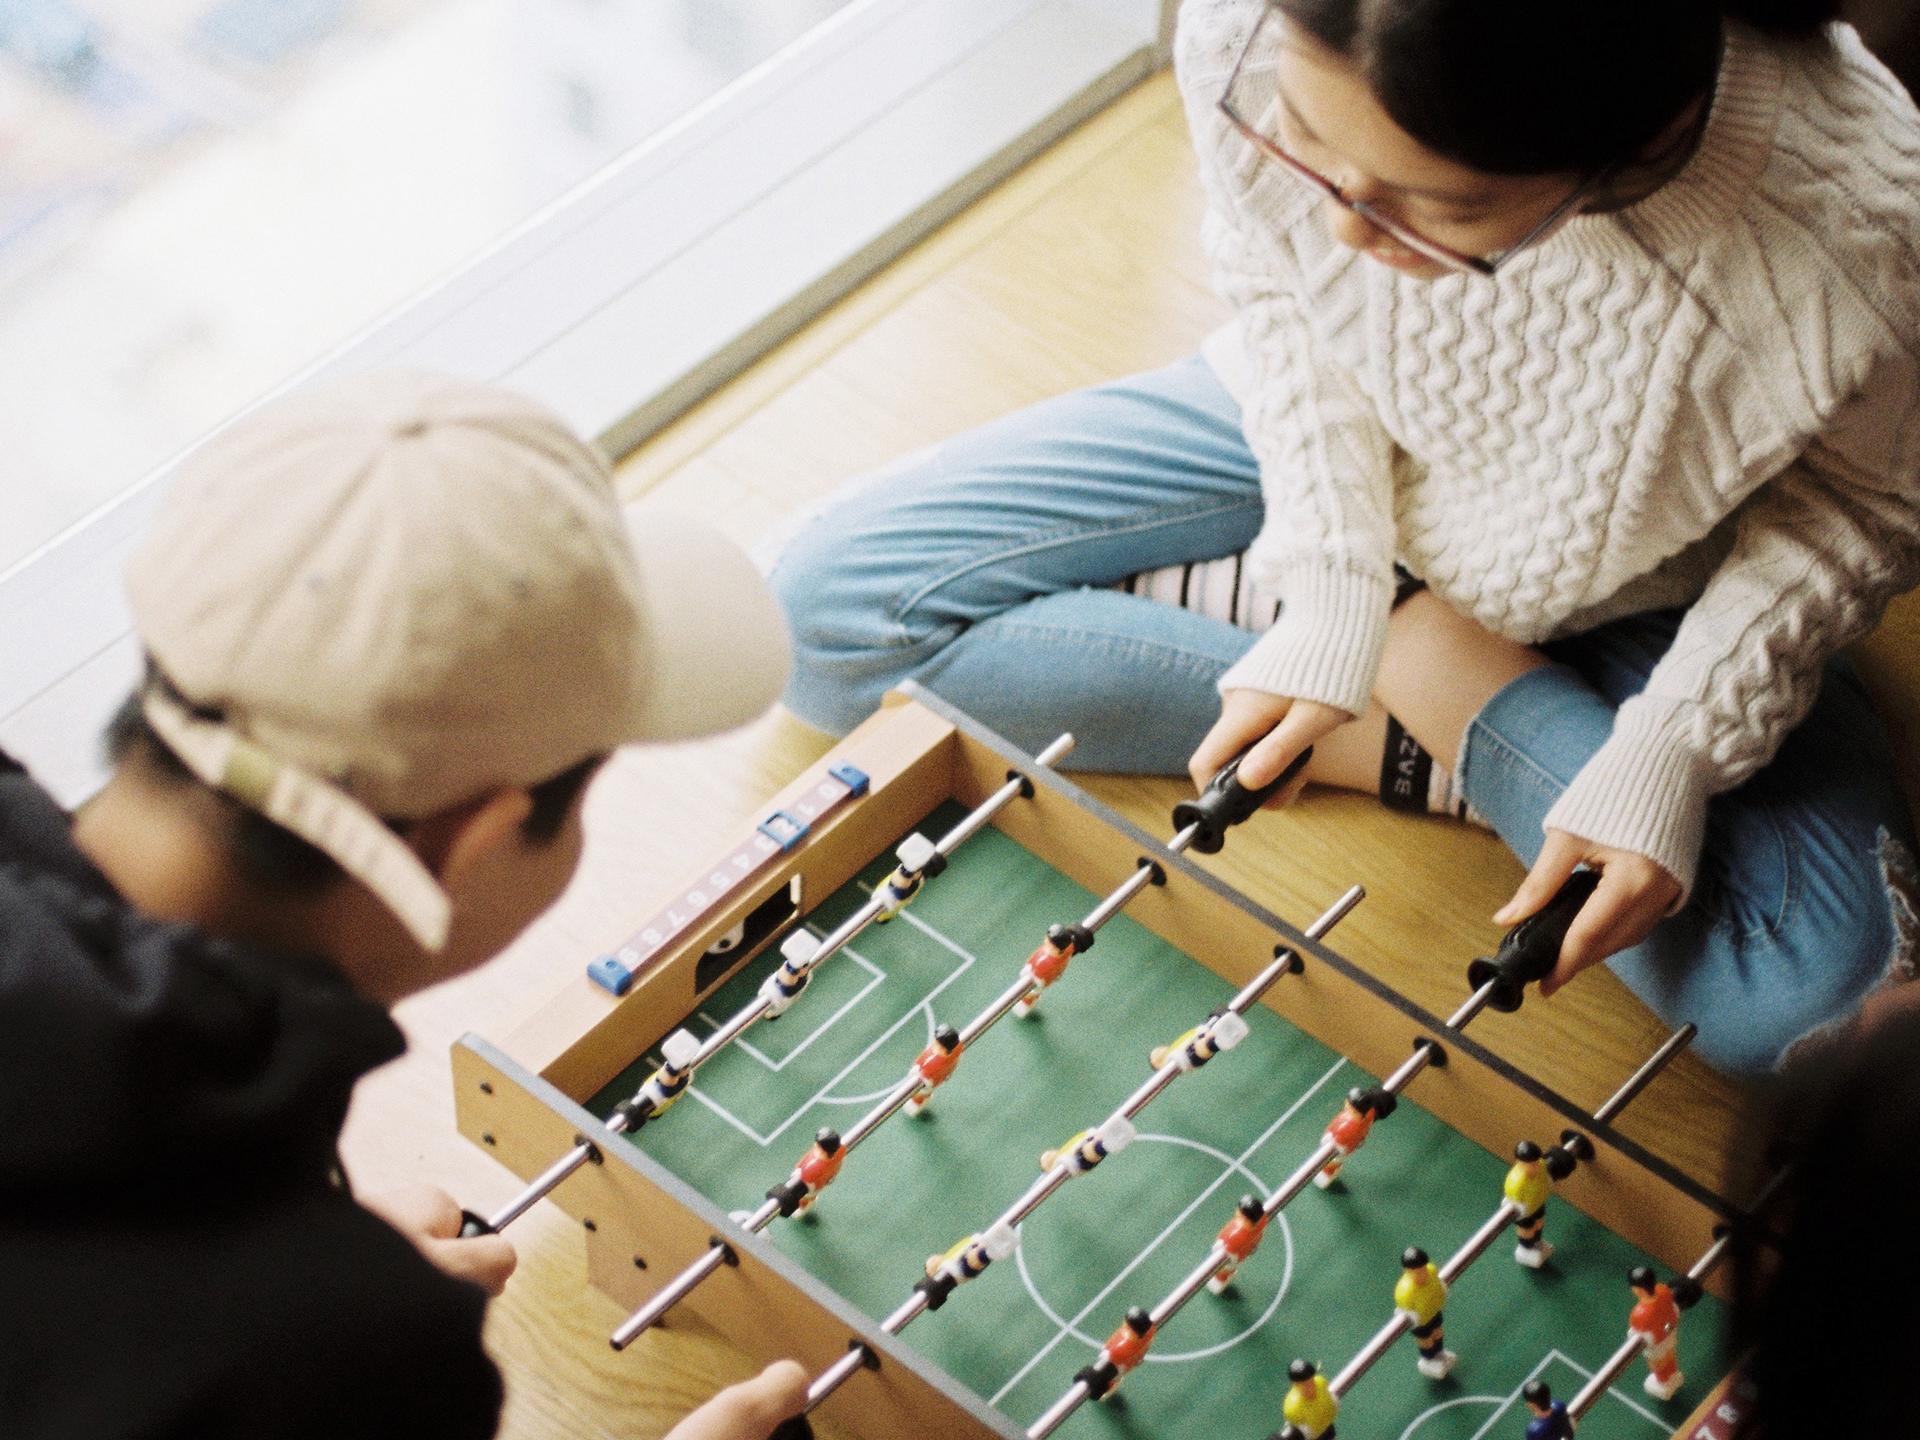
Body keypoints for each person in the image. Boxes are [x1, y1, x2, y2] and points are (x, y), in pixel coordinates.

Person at [767, 0, 1920, 1074]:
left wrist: (1670, 749)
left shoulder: (1857, 232)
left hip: (1655, 570)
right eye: (1305, 141)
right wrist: (1331, 584)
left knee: (1821, 1011)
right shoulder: (1253, 25)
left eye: (1440, 208)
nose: (1341, 226)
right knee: (820, 624)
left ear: (1630, 142)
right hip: (1312, 418)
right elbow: (1281, 288)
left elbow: (1868, 505)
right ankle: (1442, 719)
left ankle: (1439, 684)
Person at [0, 372, 806, 1440]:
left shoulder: (321, 1335)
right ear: (464, 843)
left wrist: (278, 1273)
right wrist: (312, 1334)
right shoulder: (348, 1351)